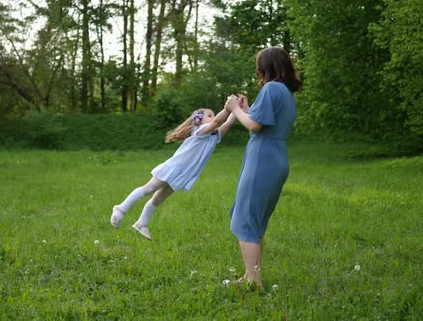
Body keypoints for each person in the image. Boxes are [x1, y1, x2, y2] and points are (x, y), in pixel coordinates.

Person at [224, 47, 302, 290]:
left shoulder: (270, 89)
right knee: (255, 221)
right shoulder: (285, 92)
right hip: (276, 157)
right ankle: (250, 275)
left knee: (246, 220)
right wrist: (247, 111)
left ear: (264, 68)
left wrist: (235, 109)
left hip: (263, 158)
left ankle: (254, 281)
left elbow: (255, 127)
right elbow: (259, 122)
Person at [110, 106, 242, 240]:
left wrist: (236, 110)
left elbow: (226, 124)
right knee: (149, 188)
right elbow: (218, 122)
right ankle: (120, 208)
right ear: (198, 121)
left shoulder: (213, 136)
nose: (213, 118)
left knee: (159, 198)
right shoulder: (200, 131)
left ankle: (141, 223)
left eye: (213, 115)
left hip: (183, 174)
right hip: (173, 168)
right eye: (209, 115)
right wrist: (227, 108)